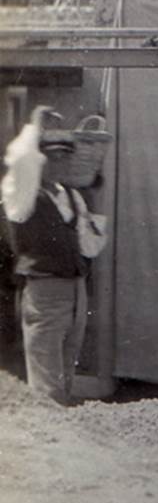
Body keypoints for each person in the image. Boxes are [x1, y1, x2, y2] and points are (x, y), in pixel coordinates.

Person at [1, 106, 108, 405]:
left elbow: (90, 247)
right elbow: (20, 160)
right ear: (40, 160)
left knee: (66, 365)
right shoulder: (21, 196)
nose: (59, 164)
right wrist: (35, 126)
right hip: (44, 288)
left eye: (65, 157)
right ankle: (50, 424)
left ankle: (62, 423)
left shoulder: (71, 197)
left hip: (75, 289)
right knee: (46, 374)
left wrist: (93, 205)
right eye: (52, 157)